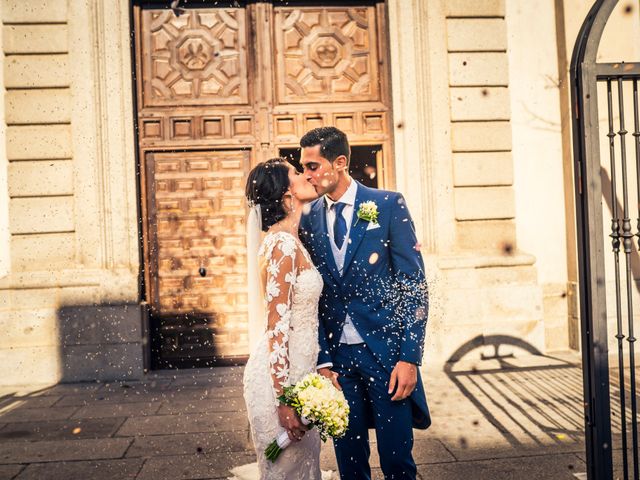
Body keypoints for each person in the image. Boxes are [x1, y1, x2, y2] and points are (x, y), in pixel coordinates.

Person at [298, 127, 430, 480]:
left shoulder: (387, 205)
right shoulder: (307, 218)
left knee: (397, 461)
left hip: (386, 356)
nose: (306, 175)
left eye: (313, 166)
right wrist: (324, 360)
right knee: (350, 463)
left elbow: (413, 286)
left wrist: (409, 357)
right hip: (339, 363)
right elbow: (312, 298)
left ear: (340, 163)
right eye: (304, 168)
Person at [238, 158, 324, 479]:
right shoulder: (283, 245)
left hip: (299, 375)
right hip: (281, 384)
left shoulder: (291, 241)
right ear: (286, 195)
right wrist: (284, 400)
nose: (305, 176)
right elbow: (276, 327)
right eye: (296, 173)